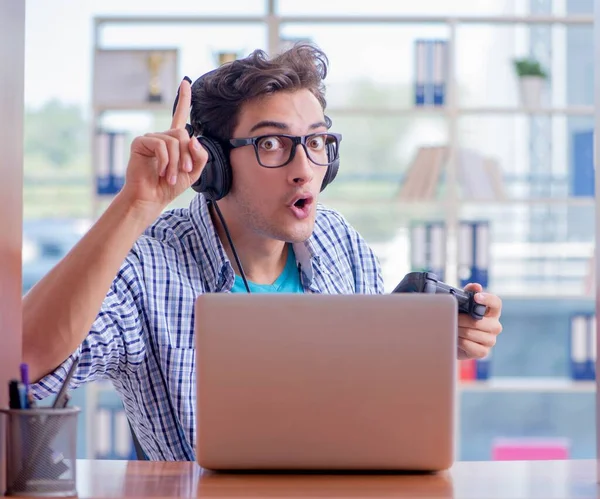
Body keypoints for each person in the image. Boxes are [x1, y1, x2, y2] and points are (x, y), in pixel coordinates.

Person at [23, 43, 503, 461]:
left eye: (315, 141)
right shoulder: (147, 266)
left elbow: (362, 406)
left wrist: (424, 344)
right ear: (212, 165)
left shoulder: (342, 244)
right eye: (272, 143)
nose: (303, 169)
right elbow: (23, 365)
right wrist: (134, 206)